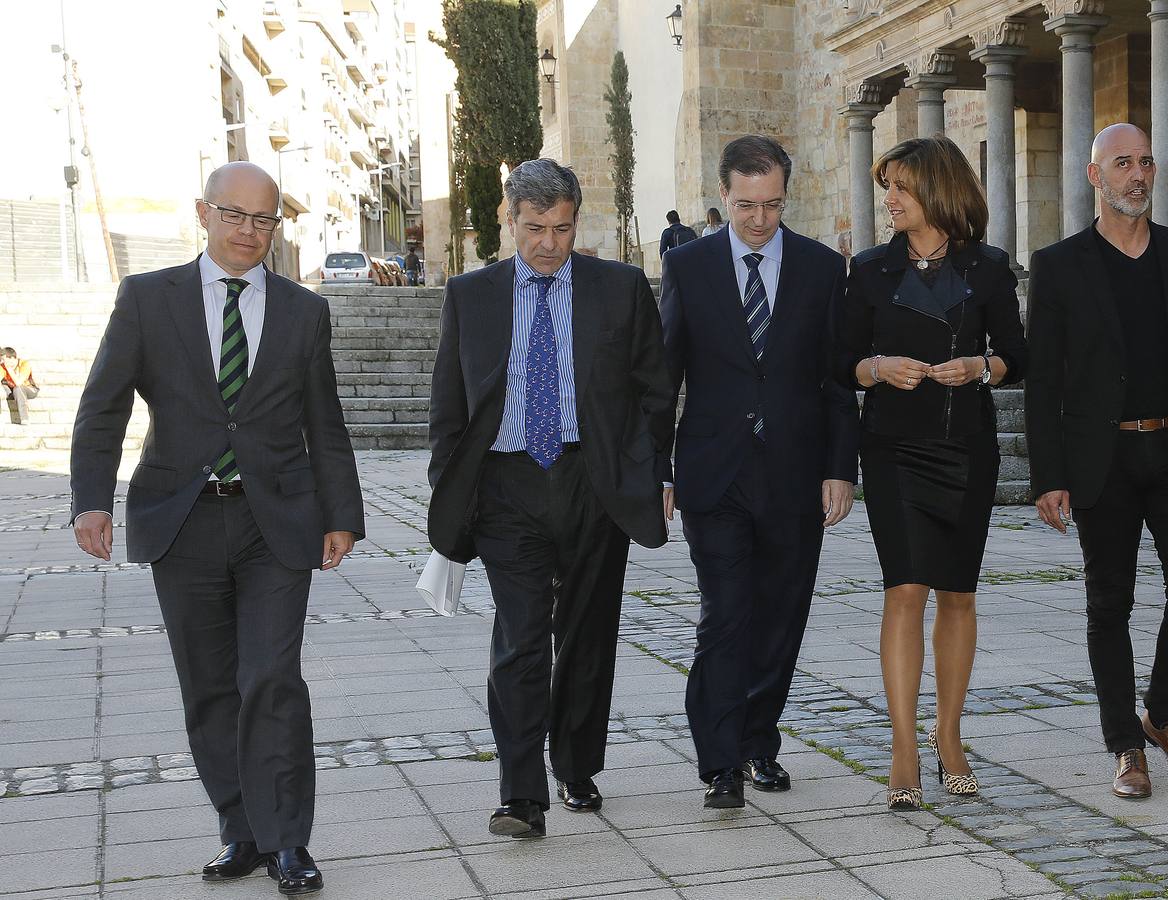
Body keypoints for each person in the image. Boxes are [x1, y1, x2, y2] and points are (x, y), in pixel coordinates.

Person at [69, 162, 363, 895]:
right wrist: (91, 500)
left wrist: (343, 514)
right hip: (184, 519)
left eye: (264, 221)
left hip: (277, 522)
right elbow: (104, 405)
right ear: (203, 214)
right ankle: (242, 830)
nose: (249, 233)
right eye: (235, 216)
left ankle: (290, 842)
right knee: (208, 689)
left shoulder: (303, 311)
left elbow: (324, 422)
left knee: (271, 679)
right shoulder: (147, 299)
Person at [427, 159, 675, 839]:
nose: (548, 243)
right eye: (534, 228)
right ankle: (520, 795)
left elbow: (655, 391)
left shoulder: (619, 289)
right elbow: (449, 404)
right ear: (509, 220)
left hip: (593, 484)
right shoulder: (470, 295)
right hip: (506, 488)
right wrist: (448, 485)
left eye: (561, 228)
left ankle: (576, 765)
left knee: (589, 636)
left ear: (576, 221)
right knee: (521, 639)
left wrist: (655, 475)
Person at [1025, 124, 1168, 801]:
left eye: (1146, 161)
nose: (1138, 175)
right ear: (1094, 177)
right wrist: (1049, 477)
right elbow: (1044, 382)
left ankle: (1164, 713)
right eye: (1122, 163)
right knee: (1108, 604)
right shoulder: (1060, 265)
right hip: (1103, 459)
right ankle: (1126, 744)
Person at [660, 135, 859, 809]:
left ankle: (757, 741)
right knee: (725, 616)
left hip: (796, 473)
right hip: (714, 475)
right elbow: (666, 377)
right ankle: (721, 762)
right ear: (723, 196)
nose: (759, 219)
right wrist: (659, 470)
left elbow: (836, 381)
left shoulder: (820, 269)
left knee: (780, 617)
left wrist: (841, 469)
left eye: (772, 205)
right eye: (746, 205)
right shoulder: (688, 268)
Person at [839, 136, 1026, 811]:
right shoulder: (869, 271)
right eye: (886, 186)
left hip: (965, 447)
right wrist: (877, 368)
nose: (887, 199)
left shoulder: (989, 268)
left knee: (958, 594)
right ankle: (901, 747)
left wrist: (982, 367)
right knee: (905, 590)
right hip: (892, 448)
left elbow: (1016, 355)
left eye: (899, 188)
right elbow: (841, 362)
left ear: (937, 191)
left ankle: (949, 736)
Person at [1, 347, 39, 425]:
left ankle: (24, 418)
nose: (2, 362)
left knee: (18, 388)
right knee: (4, 387)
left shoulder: (24, 364)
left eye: (4, 360)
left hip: (29, 389)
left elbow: (18, 382)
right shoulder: (2, 366)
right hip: (12, 389)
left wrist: (9, 369)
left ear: (12, 358)